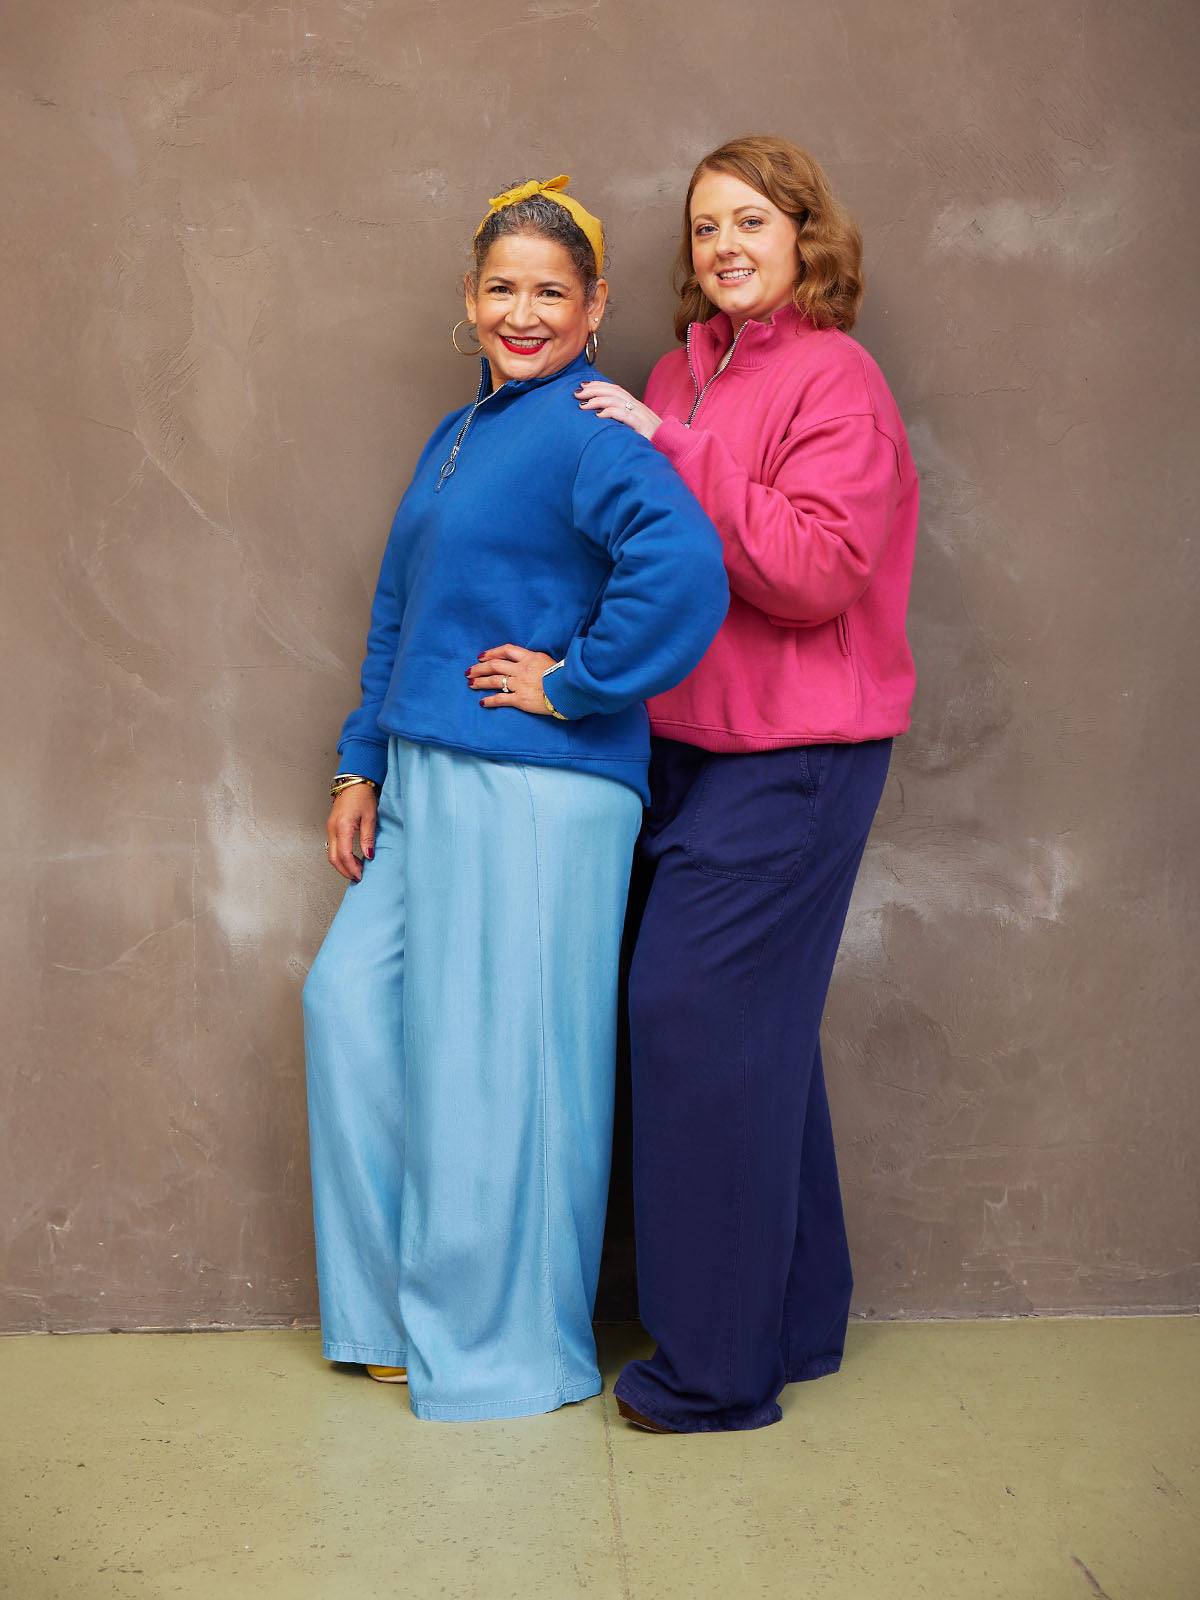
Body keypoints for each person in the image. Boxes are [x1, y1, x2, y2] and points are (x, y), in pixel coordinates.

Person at [302, 176, 728, 1423]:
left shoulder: (595, 429)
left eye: (552, 291)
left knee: (507, 1069)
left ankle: (504, 1349)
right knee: (348, 1010)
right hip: (427, 775)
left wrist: (578, 683)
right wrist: (360, 760)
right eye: (504, 290)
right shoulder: (455, 436)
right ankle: (400, 1313)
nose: (524, 312)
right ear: (470, 304)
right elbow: (398, 614)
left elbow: (684, 564)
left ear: (594, 308)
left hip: (539, 787)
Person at [576, 135, 919, 1433]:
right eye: (707, 226)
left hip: (801, 758)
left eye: (753, 224)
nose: (725, 245)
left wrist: (674, 447)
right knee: (752, 1039)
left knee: (691, 1019)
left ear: (805, 241)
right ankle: (795, 1324)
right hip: (690, 754)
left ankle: (718, 1375)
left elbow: (814, 573)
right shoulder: (678, 370)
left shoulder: (841, 379)